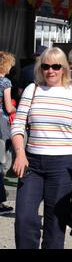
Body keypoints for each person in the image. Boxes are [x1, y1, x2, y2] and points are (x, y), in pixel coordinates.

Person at [11, 47, 72, 249]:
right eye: (46, 66)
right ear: (41, 68)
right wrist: (20, 154)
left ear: (63, 68)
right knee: (23, 219)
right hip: (32, 164)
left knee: (55, 224)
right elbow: (18, 124)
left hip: (63, 165)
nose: (51, 71)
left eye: (56, 66)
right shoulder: (33, 89)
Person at [0, 51, 16, 215]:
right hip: (1, 123)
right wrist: (17, 108)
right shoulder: (5, 82)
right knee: (2, 160)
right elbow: (8, 107)